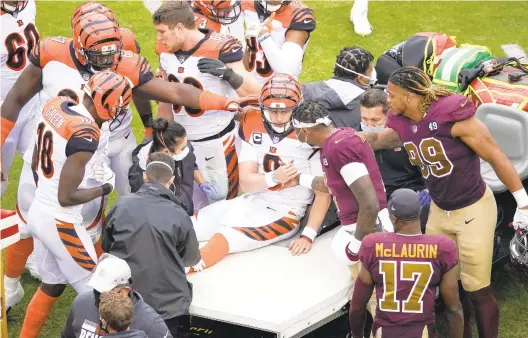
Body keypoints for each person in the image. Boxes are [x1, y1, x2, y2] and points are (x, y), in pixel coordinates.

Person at [1, 8, 245, 310]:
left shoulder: (124, 55)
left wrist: (220, 101)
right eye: (97, 54)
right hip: (60, 154)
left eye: (111, 53)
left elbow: (172, 91)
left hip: (110, 146)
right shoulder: (51, 52)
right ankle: (12, 284)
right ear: (78, 43)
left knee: (128, 209)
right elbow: (14, 99)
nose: (106, 61)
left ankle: (124, 269)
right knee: (30, 219)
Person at [359, 66, 528, 338]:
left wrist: (524, 203)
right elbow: (385, 137)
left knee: (477, 289)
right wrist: (353, 140)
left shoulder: (453, 115)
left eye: (392, 95)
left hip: (472, 209)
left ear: (410, 96)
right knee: (450, 287)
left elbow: (496, 156)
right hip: (440, 208)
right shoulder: (401, 120)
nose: (387, 100)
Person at [19, 70, 133, 338]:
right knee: (102, 297)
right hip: (60, 219)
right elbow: (66, 197)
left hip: (39, 209)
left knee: (53, 284)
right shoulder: (86, 134)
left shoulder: (56, 104)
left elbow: (37, 158)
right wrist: (103, 188)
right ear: (108, 106)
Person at [188, 74, 331, 271]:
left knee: (226, 238)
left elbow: (324, 191)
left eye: (285, 111)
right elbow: (246, 182)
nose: (278, 118)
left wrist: (309, 233)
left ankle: (178, 274)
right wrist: (274, 178)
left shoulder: (311, 133)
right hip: (250, 200)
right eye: (272, 111)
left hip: (286, 210)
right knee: (192, 224)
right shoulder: (253, 123)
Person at [154, 1, 260, 209]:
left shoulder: (220, 48)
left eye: (162, 32)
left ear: (179, 28)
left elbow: (255, 92)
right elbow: (166, 98)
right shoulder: (166, 52)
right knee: (185, 205)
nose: (159, 38)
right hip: (182, 143)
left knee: (222, 204)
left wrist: (228, 75)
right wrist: (158, 137)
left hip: (217, 142)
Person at [291, 100, 391, 319]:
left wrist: (356, 246)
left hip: (369, 229)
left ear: (304, 131)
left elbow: (369, 203)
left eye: (296, 132)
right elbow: (338, 184)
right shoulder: (341, 137)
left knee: (381, 304)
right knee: (374, 300)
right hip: (370, 225)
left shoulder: (339, 148)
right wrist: (299, 179)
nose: (296, 136)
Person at [103, 152, 200, 337]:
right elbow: (190, 258)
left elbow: (107, 246)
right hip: (167, 306)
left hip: (124, 300)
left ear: (145, 175)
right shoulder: (179, 214)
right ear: (171, 180)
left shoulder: (120, 205)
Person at [349, 189, 463, 338]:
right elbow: (454, 309)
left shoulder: (373, 245)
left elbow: (357, 307)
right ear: (419, 211)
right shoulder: (440, 247)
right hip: (422, 333)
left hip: (385, 333)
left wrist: (357, 335)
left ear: (394, 218)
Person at [359, 89, 430, 230]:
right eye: (364, 119)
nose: (369, 125)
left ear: (388, 116)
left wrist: (429, 190)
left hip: (408, 196)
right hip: (374, 200)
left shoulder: (407, 135)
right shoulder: (356, 138)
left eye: (375, 120)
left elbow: (427, 168)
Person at [62, 253, 172, 338]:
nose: (96, 295)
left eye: (103, 291)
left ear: (124, 291)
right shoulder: (81, 304)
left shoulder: (151, 324)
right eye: (95, 288)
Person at [129, 117, 223, 215]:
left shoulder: (181, 146)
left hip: (185, 208)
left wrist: (202, 183)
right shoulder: (142, 174)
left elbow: (191, 164)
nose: (187, 148)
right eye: (183, 148)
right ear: (166, 152)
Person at [0, 0, 40, 197]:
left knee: (42, 170)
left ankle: (33, 223)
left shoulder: (28, 4)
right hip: (3, 111)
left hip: (34, 104)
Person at [242, 0, 316, 84]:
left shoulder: (298, 14)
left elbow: (286, 70)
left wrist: (263, 37)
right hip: (248, 85)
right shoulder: (246, 4)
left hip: (280, 89)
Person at [302, 46, 376, 130]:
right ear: (360, 78)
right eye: (370, 73)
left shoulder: (304, 90)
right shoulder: (369, 107)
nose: (371, 76)